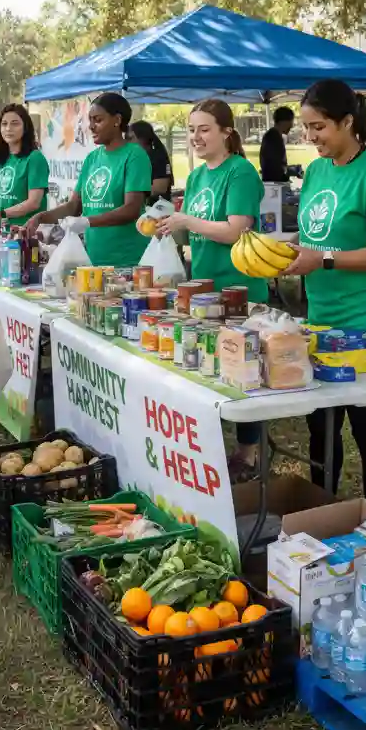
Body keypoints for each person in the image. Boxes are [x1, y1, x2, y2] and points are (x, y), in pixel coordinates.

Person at [281, 80, 366, 503]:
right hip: (323, 317)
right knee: (321, 426)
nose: (310, 136)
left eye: (319, 127)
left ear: (348, 121)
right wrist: (293, 254)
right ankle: (322, 514)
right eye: (306, 127)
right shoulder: (317, 170)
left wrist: (326, 258)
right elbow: (316, 238)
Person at [154, 99, 269, 483]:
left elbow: (236, 229)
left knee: (243, 370)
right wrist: (168, 224)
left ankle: (248, 453)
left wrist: (186, 219)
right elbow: (199, 226)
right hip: (202, 287)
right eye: (191, 130)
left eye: (204, 129)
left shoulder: (240, 173)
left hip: (239, 287)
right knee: (208, 367)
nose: (196, 137)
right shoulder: (201, 174)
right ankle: (212, 446)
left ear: (226, 132)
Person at [28, 93, 151, 266]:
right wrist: (41, 217)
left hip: (128, 261)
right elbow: (74, 206)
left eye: (98, 120)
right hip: (93, 259)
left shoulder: (135, 155)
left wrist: (87, 222)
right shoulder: (92, 158)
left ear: (117, 120)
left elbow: (131, 209)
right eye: (90, 120)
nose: (91, 127)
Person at [0, 105, 48, 226]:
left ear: (25, 127)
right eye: (4, 124)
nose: (8, 128)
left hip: (25, 236)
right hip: (0, 235)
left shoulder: (34, 158)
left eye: (15, 123)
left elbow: (33, 203)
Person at [129, 120, 174, 203]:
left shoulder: (158, 157)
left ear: (143, 138)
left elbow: (160, 188)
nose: (128, 142)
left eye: (131, 138)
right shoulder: (135, 158)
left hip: (157, 208)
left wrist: (132, 192)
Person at [259, 106, 294, 183]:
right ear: (284, 121)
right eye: (291, 121)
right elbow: (274, 166)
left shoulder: (273, 135)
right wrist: (285, 177)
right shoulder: (273, 137)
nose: (292, 125)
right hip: (274, 184)